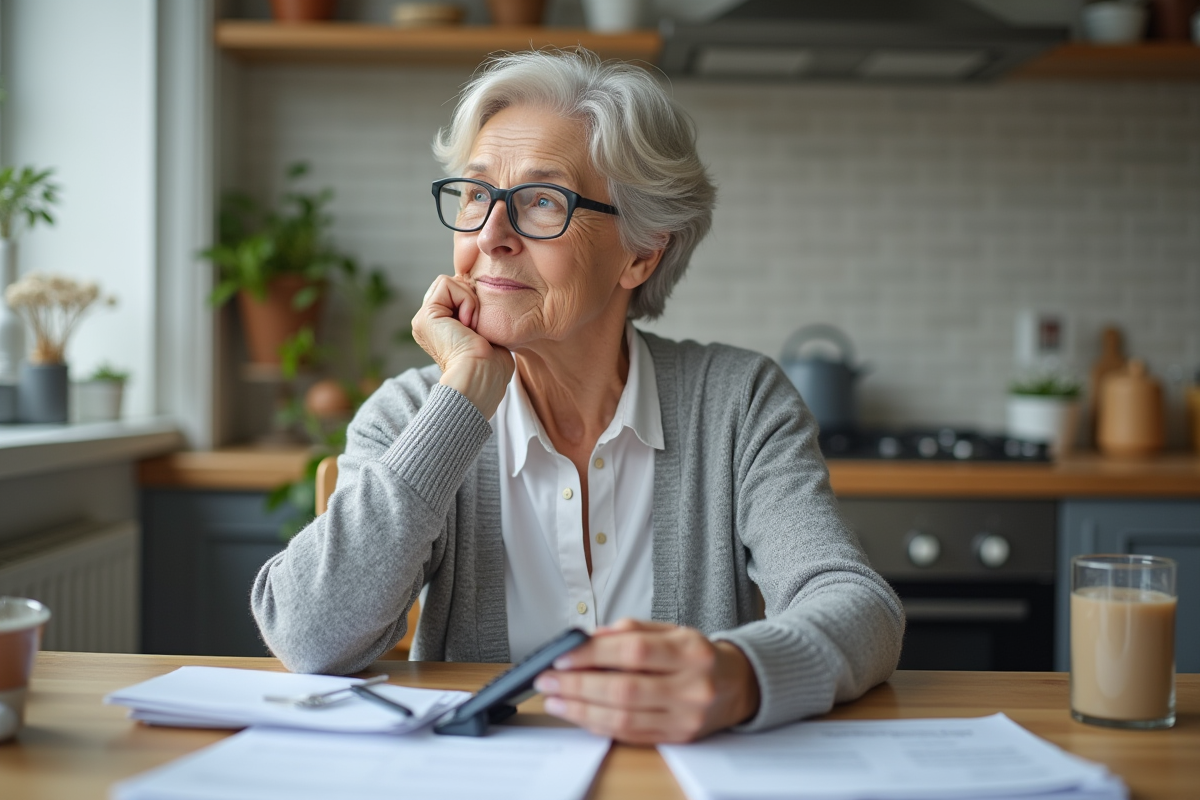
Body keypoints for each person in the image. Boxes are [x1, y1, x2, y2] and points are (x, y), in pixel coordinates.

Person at [251, 49, 903, 745]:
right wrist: (461, 398)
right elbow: (308, 637)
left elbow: (860, 607)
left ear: (641, 253)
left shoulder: (739, 404)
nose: (490, 236)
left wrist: (741, 675)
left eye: (541, 201)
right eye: (475, 195)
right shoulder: (412, 414)